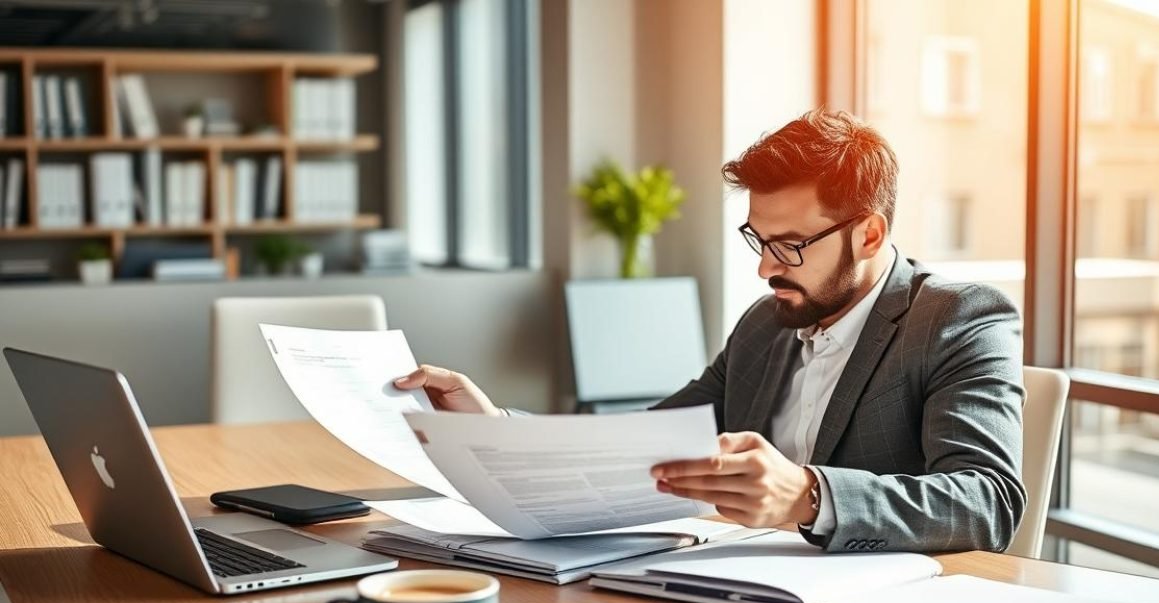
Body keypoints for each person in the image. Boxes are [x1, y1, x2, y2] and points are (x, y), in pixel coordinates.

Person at [394, 108, 1025, 554]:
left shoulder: (957, 318)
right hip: (747, 591)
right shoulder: (766, 324)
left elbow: (988, 503)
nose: (765, 268)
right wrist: (495, 428)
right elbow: (641, 443)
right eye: (758, 239)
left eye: (790, 245)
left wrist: (808, 496)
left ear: (869, 234)